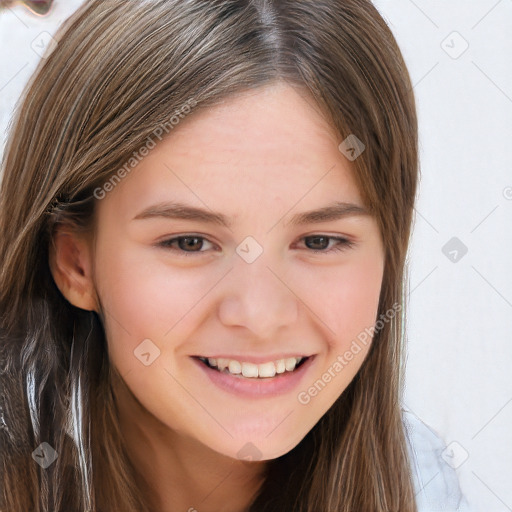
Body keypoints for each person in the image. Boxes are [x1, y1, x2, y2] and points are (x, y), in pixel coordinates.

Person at [0, 1, 470, 511]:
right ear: (76, 264)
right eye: (190, 242)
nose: (260, 316)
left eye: (319, 242)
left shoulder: (421, 486)